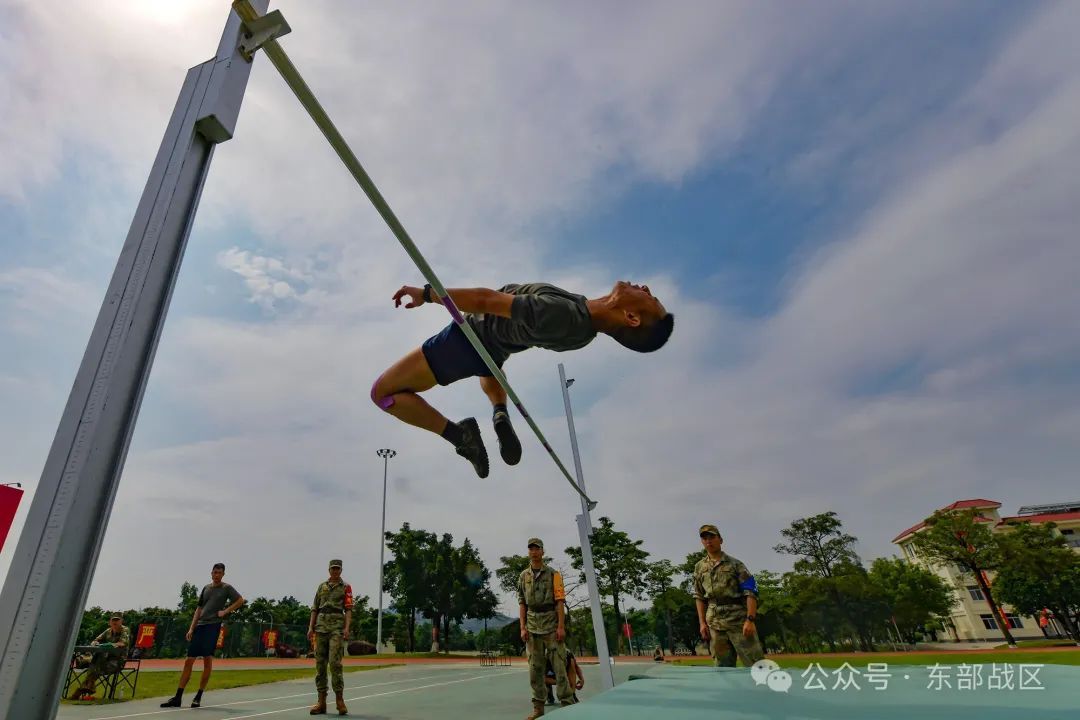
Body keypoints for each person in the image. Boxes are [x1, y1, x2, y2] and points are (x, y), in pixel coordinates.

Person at [371, 281, 673, 478]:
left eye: (651, 297)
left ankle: (459, 435)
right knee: (488, 368)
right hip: (495, 346)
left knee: (383, 393)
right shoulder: (584, 326)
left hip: (467, 340)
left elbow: (485, 300)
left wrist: (426, 295)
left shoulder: (563, 314)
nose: (645, 287)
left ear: (631, 318)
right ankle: (499, 411)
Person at [161, 563, 245, 708]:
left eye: (219, 572)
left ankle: (198, 696)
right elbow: (199, 609)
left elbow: (240, 600)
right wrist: (191, 628)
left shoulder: (227, 588)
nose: (216, 575)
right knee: (189, 660)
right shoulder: (206, 588)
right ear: (211, 573)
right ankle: (178, 697)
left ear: (223, 574)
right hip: (200, 626)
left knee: (207, 659)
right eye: (215, 572)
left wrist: (225, 611)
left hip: (213, 626)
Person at [692, 524, 765, 668]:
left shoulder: (736, 564)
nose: (708, 541)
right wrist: (702, 623)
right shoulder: (699, 567)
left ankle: (765, 690)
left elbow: (750, 592)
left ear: (720, 539)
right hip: (714, 623)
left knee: (756, 665)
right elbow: (699, 596)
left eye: (712, 537)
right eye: (704, 538)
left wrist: (750, 619)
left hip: (738, 621)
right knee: (722, 668)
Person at [518, 537, 575, 719]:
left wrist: (560, 627)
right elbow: (522, 604)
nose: (534, 552)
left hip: (551, 625)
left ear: (543, 552)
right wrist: (522, 627)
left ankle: (567, 704)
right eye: (531, 549)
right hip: (532, 626)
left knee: (559, 667)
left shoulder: (554, 575)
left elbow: (559, 602)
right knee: (535, 669)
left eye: (537, 549)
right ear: (529, 552)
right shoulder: (523, 576)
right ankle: (538, 708)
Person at [307, 559, 352, 715]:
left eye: (337, 569)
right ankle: (321, 701)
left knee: (335, 663)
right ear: (329, 570)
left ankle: (340, 700)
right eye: (333, 568)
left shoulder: (346, 587)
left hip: (336, 628)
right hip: (320, 627)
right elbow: (314, 608)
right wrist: (310, 627)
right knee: (320, 665)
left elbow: (348, 609)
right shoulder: (322, 587)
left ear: (341, 570)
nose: (335, 571)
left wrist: (346, 628)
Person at [70, 615, 130, 699]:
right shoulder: (108, 631)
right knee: (97, 662)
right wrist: (95, 643)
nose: (115, 622)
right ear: (110, 622)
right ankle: (88, 686)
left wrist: (111, 645)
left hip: (117, 661)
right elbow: (96, 640)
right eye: (113, 620)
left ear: (121, 622)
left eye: (117, 620)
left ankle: (82, 689)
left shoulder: (125, 630)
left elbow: (122, 643)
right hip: (103, 661)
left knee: (95, 664)